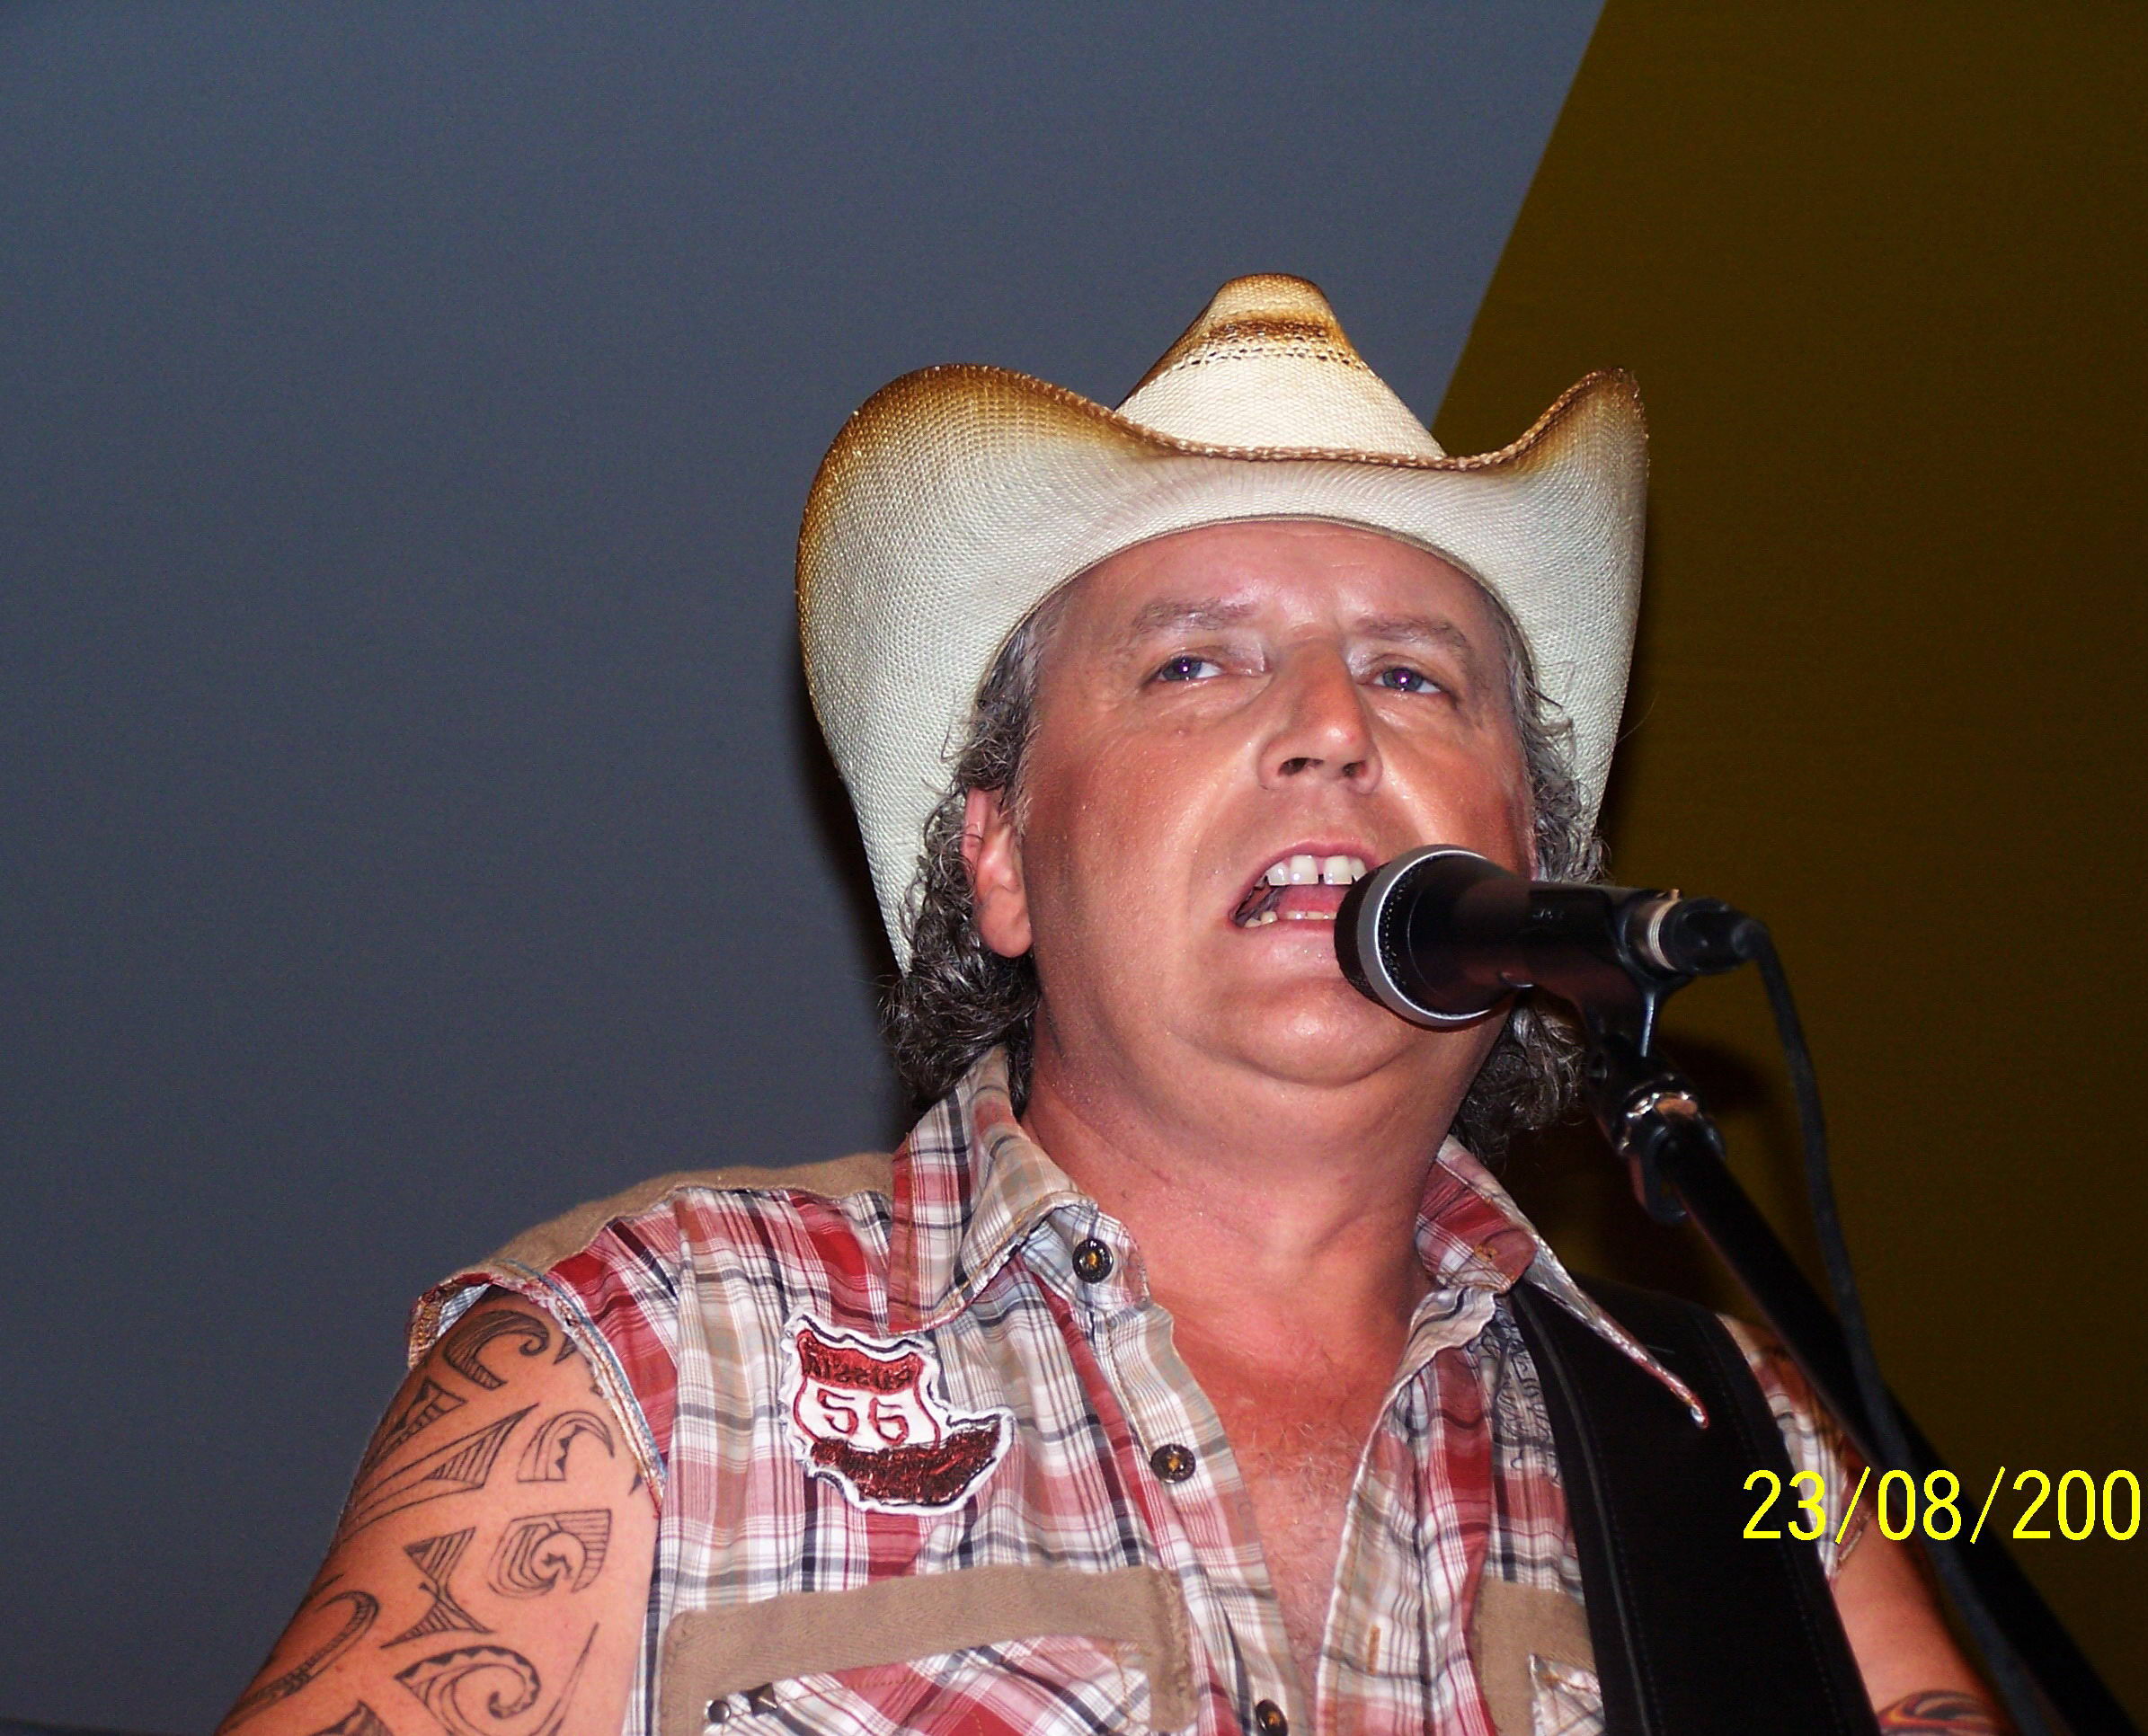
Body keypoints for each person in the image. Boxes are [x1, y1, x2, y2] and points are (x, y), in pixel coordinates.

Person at [225, 277, 2003, 1736]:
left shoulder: (1735, 1439)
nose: (1333, 727)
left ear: (1524, 857)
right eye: (1194, 662)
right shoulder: (652, 1350)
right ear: (998, 858)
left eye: (1412, 674)